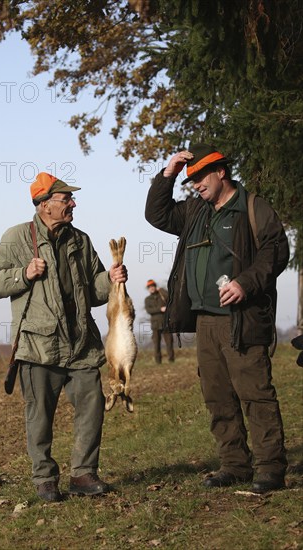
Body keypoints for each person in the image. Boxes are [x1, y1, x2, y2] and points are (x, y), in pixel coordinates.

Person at [145, 143, 289, 494]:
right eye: (190, 179)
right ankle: (235, 464)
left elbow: (276, 250)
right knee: (217, 396)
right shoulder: (195, 210)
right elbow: (157, 215)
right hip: (205, 321)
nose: (194, 184)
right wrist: (168, 175)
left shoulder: (252, 207)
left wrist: (246, 282)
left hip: (242, 318)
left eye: (199, 177)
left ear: (221, 172)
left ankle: (270, 469)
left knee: (255, 394)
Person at [0, 172, 127, 502]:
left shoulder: (80, 240)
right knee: (39, 417)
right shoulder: (17, 238)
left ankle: (83, 474)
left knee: (93, 406)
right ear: (45, 205)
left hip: (81, 344)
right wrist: (23, 274)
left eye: (71, 199)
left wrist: (111, 278)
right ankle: (45, 479)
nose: (73, 204)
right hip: (39, 346)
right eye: (66, 200)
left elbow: (95, 290)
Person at [144, 279, 174, 363]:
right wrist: (160, 309)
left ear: (155, 286)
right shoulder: (147, 299)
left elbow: (169, 298)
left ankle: (171, 359)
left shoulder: (161, 294)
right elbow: (149, 310)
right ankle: (158, 361)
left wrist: (161, 290)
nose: (152, 288)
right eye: (150, 287)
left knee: (169, 342)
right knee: (156, 343)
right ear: (148, 289)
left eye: (153, 286)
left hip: (165, 322)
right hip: (155, 324)